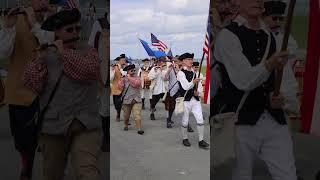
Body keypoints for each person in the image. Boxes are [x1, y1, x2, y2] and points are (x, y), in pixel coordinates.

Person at [213, 0, 298, 179]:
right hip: (241, 120)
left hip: (274, 119)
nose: (258, 1)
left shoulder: (273, 37)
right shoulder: (228, 36)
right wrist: (271, 63)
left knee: (287, 175)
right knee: (242, 174)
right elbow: (244, 80)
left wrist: (283, 98)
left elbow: (286, 78)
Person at [23, 8, 102, 180]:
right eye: (69, 30)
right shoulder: (47, 54)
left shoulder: (89, 52)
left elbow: (87, 72)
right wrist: (39, 60)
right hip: (54, 127)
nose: (75, 33)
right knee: (52, 173)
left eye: (77, 29)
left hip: (86, 125)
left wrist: (63, 53)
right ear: (57, 33)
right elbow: (32, 84)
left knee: (87, 171)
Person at [0, 1, 54, 179]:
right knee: (22, 140)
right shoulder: (15, 20)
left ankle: (42, 169)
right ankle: (27, 163)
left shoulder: (55, 19)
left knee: (49, 139)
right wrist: (7, 28)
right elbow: (3, 53)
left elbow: (52, 44)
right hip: (20, 90)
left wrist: (35, 24)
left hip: (49, 92)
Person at [177, 53, 210, 149]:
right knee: (185, 121)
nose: (190, 61)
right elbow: (185, 86)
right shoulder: (180, 73)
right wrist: (193, 82)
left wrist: (198, 92)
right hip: (185, 100)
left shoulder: (195, 72)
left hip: (195, 100)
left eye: (191, 59)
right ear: (183, 61)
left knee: (200, 120)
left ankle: (201, 140)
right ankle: (185, 138)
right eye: (188, 59)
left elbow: (199, 86)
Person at [88, 10, 110, 152]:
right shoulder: (99, 24)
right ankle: (106, 137)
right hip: (103, 71)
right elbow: (92, 48)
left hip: (117, 71)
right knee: (105, 106)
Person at [262, 0, 298, 68]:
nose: (278, 21)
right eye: (274, 18)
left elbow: (294, 48)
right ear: (264, 17)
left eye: (281, 18)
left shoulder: (283, 33)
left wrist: (285, 53)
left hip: (283, 71)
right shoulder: (259, 32)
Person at [118, 64, 144, 135]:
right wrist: (121, 81)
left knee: (137, 114)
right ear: (127, 71)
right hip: (126, 100)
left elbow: (137, 84)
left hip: (136, 100)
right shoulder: (124, 78)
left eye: (134, 70)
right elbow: (120, 88)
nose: (133, 71)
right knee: (126, 116)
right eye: (131, 70)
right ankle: (126, 124)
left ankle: (139, 129)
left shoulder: (137, 77)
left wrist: (129, 78)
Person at [110, 54, 126, 121]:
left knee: (125, 102)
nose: (124, 61)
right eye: (122, 60)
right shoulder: (114, 67)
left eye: (124, 60)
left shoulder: (125, 67)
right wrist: (112, 71)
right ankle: (118, 113)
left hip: (124, 88)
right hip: (116, 88)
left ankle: (125, 116)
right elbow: (111, 78)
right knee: (117, 103)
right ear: (119, 61)